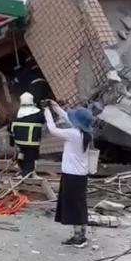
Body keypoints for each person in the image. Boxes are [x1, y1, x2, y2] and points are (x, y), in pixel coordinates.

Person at [44, 100, 94, 248]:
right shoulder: (86, 134)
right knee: (79, 204)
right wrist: (56, 108)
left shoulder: (73, 134)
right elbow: (70, 119)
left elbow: (53, 129)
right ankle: (81, 233)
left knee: (72, 206)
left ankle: (78, 236)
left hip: (72, 175)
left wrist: (47, 112)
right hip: (80, 175)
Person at [10, 92, 46, 177]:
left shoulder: (16, 114)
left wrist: (11, 142)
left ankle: (22, 170)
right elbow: (44, 121)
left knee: (23, 154)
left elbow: (10, 128)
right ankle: (28, 175)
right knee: (30, 159)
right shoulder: (38, 114)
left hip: (19, 143)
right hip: (32, 144)